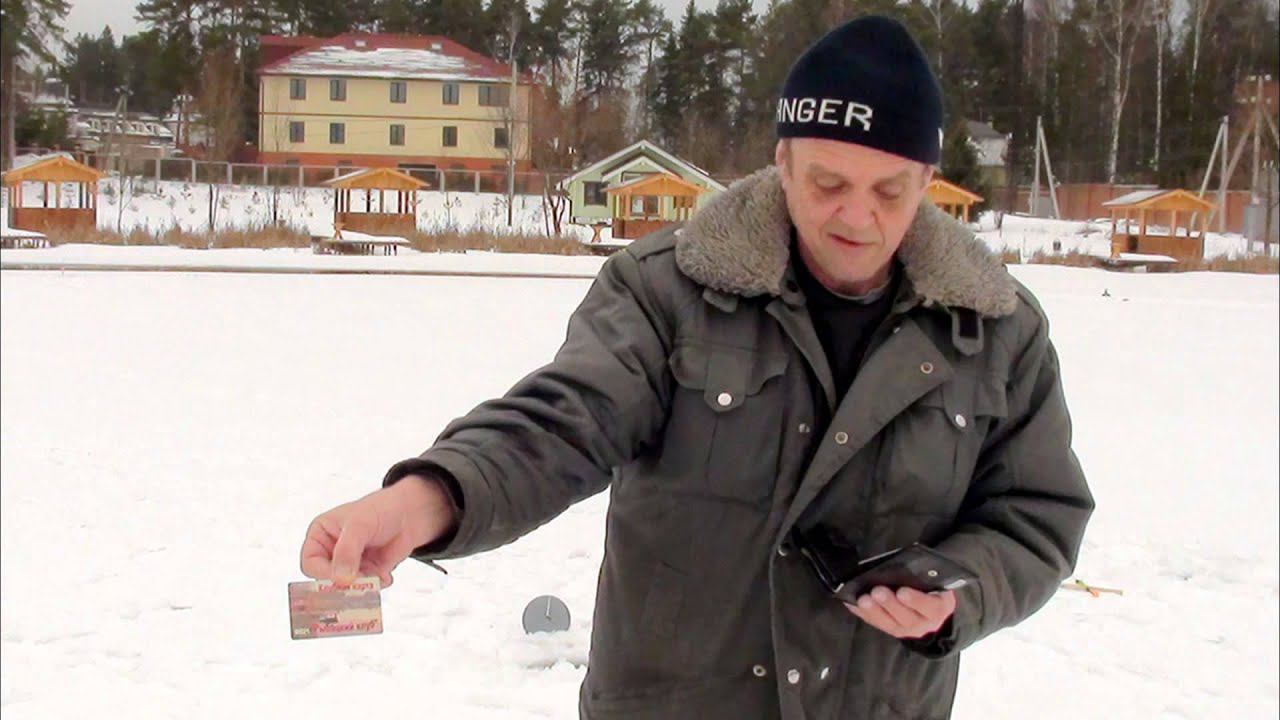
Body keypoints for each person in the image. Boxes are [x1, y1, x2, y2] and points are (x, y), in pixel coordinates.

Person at [300, 16, 1094, 720]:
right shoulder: (668, 290)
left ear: (926, 180)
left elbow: (1037, 515)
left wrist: (960, 589)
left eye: (889, 190)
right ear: (783, 163)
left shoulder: (997, 331)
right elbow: (565, 419)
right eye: (829, 183)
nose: (858, 216)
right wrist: (427, 498)